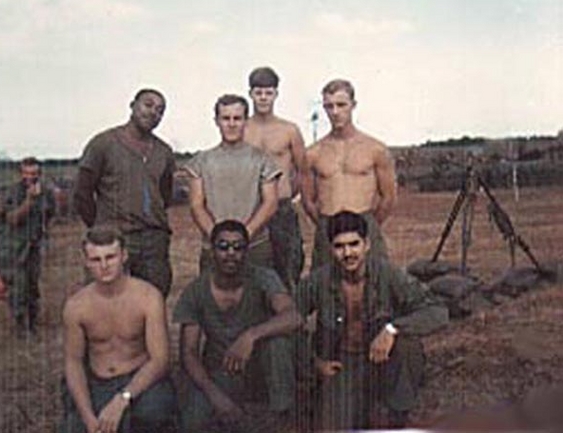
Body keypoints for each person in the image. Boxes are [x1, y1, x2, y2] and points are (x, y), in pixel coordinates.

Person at [295, 211, 448, 430]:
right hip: (340, 366)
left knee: (407, 346)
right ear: (330, 249)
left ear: (366, 244)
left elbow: (437, 310)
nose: (348, 253)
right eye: (339, 246)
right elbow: (288, 321)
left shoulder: (388, 274)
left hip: (380, 362)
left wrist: (392, 329)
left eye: (354, 244)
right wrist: (314, 362)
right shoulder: (318, 282)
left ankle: (398, 416)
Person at [173, 220, 302, 433]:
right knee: (193, 422)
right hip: (220, 372)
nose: (231, 253)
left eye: (238, 247)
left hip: (260, 368)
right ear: (212, 250)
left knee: (278, 343)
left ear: (247, 250)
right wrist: (216, 397)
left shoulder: (263, 277)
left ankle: (282, 416)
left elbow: (294, 316)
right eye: (223, 246)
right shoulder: (195, 291)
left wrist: (251, 335)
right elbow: (188, 354)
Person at [61, 226, 178, 433]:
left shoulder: (148, 297)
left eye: (110, 257)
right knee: (76, 427)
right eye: (96, 260)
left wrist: (123, 398)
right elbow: (74, 362)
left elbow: (160, 360)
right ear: (86, 262)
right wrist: (89, 418)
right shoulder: (76, 306)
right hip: (98, 381)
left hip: (139, 379)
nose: (104, 266)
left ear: (124, 255)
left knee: (154, 414)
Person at [73, 88, 175, 298]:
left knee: (152, 300)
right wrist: (100, 228)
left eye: (160, 110)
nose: (153, 113)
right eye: (148, 105)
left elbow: (164, 196)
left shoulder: (164, 152)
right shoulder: (103, 144)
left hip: (153, 241)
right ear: (132, 105)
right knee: (104, 300)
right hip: (114, 238)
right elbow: (82, 192)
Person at [301, 79, 397, 270]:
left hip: (365, 225)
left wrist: (368, 226)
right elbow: (308, 200)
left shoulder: (375, 149)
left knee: (374, 287)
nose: (335, 112)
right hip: (328, 226)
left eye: (341, 105)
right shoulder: (313, 153)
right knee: (324, 289)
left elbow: (389, 197)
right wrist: (325, 226)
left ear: (353, 105)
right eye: (329, 106)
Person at [184, 94, 281, 272]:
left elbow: (271, 202)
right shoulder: (200, 161)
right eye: (225, 118)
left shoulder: (263, 160)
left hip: (255, 247)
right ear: (217, 121)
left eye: (237, 118)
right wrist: (218, 239)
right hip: (214, 248)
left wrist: (243, 237)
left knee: (257, 298)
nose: (231, 124)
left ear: (246, 121)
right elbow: (196, 205)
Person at [244, 67, 307, 289]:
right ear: (250, 94)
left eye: (268, 92)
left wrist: (289, 194)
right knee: (251, 269)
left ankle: (290, 318)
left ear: (276, 94)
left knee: (288, 268)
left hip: (282, 210)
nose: (263, 98)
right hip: (250, 208)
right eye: (258, 92)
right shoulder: (241, 128)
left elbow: (302, 170)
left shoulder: (289, 130)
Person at [0, 157, 55, 336]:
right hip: (14, 247)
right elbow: (12, 219)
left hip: (34, 246)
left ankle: (32, 322)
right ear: (21, 174)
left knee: (32, 286)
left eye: (34, 174)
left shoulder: (45, 192)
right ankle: (21, 325)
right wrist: (29, 201)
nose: (31, 177)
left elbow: (50, 213)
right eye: (27, 173)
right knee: (18, 287)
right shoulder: (13, 193)